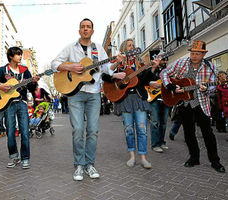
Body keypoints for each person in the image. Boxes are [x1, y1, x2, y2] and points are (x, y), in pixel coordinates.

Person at [51, 18, 125, 181]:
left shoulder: (99, 48)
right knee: (77, 130)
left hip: (93, 94)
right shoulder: (71, 48)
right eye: (83, 27)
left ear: (92, 31)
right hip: (75, 94)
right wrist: (70, 67)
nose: (85, 29)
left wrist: (115, 64)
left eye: (88, 27)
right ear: (79, 30)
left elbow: (107, 69)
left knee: (92, 131)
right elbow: (54, 64)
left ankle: (89, 164)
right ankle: (78, 165)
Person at [160, 40, 225, 173]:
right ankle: (194, 158)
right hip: (185, 103)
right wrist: (170, 85)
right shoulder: (181, 62)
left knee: (208, 133)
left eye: (197, 53)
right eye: (192, 53)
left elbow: (213, 87)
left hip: (201, 103)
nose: (194, 56)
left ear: (203, 54)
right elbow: (164, 73)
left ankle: (215, 161)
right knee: (189, 133)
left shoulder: (210, 67)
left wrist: (206, 89)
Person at [0, 46, 39, 169]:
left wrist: (34, 81)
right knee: (10, 131)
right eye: (17, 54)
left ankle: (25, 158)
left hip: (22, 103)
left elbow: (31, 88)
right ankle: (13, 157)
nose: (20, 56)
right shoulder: (3, 70)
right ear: (11, 56)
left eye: (20, 54)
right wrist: (0, 86)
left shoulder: (25, 71)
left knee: (24, 131)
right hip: (8, 105)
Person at [112, 39, 153, 169]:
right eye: (129, 45)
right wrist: (115, 73)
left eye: (133, 45)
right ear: (124, 48)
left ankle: (143, 157)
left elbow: (147, 79)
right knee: (129, 130)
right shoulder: (118, 64)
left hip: (139, 98)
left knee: (142, 129)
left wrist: (154, 67)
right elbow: (107, 76)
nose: (132, 47)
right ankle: (132, 156)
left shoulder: (140, 63)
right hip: (124, 98)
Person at [147, 50, 170, 153]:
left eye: (166, 60)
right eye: (163, 59)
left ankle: (161, 142)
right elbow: (145, 81)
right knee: (155, 122)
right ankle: (155, 144)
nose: (165, 62)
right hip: (154, 98)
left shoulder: (168, 70)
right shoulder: (151, 69)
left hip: (165, 98)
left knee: (164, 122)